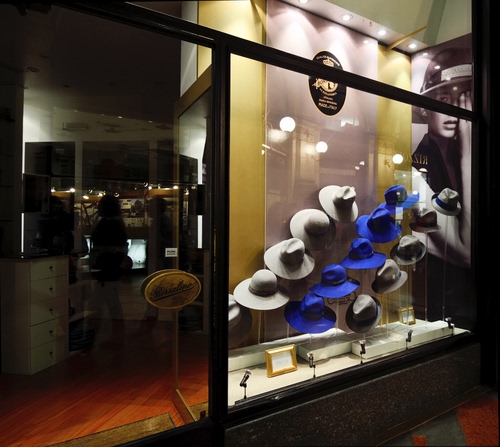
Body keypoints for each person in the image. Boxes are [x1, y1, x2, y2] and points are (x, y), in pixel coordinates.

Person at [411, 46, 472, 325]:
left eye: (462, 99)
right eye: (444, 99)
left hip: (462, 303)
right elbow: (467, 251)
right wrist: (468, 155)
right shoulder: (417, 167)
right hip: (436, 301)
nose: (454, 110)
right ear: (425, 109)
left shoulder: (453, 156)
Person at [89, 195, 129, 326]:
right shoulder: (116, 224)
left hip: (107, 265)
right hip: (111, 265)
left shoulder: (106, 224)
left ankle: (101, 326)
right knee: (110, 298)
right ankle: (117, 327)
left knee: (105, 299)